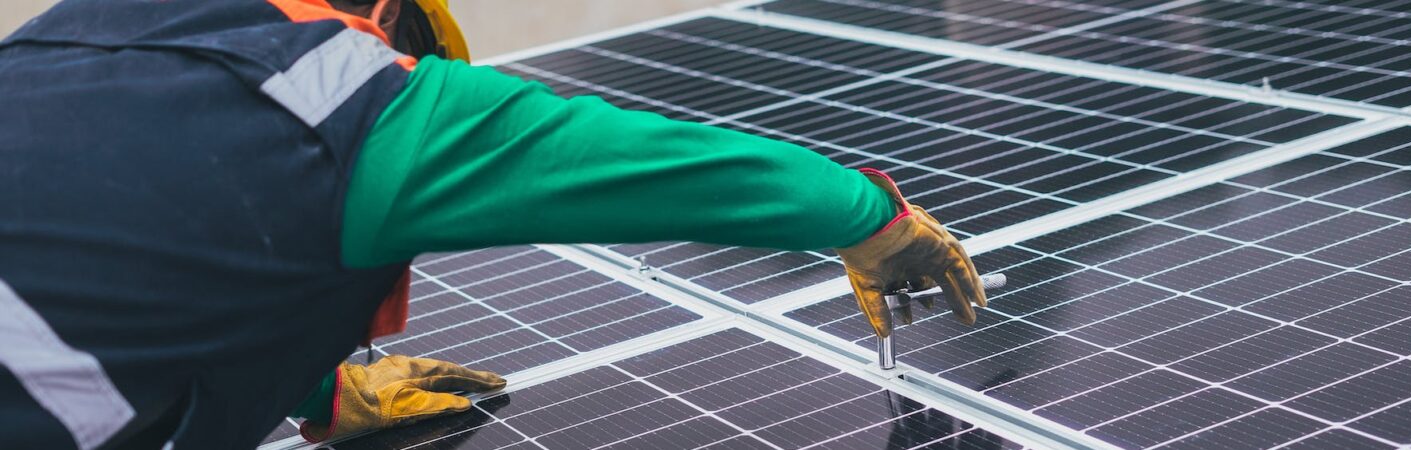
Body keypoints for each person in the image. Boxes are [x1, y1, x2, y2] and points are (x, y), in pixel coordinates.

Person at [0, 0, 988, 448]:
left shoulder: (96, 31)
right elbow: (629, 157)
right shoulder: (354, 97)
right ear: (389, 23)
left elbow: (166, 245)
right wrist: (870, 217)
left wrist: (318, 391)